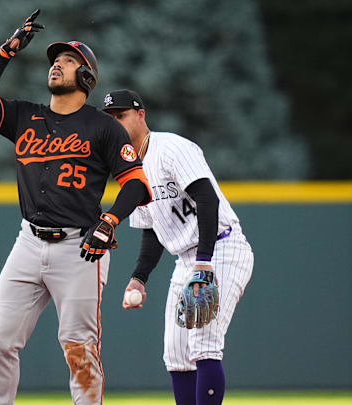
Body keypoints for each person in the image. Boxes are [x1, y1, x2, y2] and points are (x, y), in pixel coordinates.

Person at [0, 10, 152, 405]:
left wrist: (110, 220)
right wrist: (7, 51)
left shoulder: (103, 127)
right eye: (55, 60)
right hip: (28, 242)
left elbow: (136, 184)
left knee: (78, 348)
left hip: (80, 248)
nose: (56, 64)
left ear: (85, 77)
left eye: (68, 61)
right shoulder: (25, 116)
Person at [102, 89, 254, 405]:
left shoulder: (171, 148)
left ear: (140, 115)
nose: (115, 124)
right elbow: (152, 231)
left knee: (203, 344)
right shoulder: (131, 170)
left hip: (221, 248)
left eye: (121, 116)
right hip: (185, 258)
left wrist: (204, 262)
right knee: (177, 353)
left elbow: (207, 198)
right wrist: (139, 277)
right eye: (110, 120)